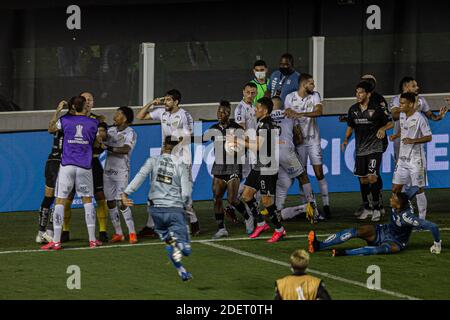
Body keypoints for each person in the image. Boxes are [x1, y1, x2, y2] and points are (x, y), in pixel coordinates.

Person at [121, 136, 193, 281]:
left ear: (163, 146)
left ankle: (181, 270)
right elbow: (186, 193)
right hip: (174, 210)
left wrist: (125, 193)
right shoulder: (181, 165)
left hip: (156, 212)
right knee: (185, 250)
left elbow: (140, 176)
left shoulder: (153, 161)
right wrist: (185, 205)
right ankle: (179, 243)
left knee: (169, 243)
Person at [41, 95, 103, 250]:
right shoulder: (94, 123)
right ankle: (92, 240)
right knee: (87, 200)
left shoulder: (65, 120)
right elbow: (97, 143)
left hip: (67, 165)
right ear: (85, 107)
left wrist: (57, 111)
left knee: (60, 200)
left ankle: (56, 241)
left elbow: (50, 129)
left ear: (74, 107)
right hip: (84, 166)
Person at [136, 89, 200, 236]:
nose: (165, 102)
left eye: (169, 100)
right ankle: (150, 226)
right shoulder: (161, 112)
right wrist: (152, 103)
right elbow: (140, 116)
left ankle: (194, 222)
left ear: (176, 102)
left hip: (182, 160)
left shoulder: (185, 115)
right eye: (164, 99)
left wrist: (173, 145)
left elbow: (189, 136)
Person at [308, 187, 442, 256]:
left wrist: (437, 244)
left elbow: (433, 226)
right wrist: (419, 187)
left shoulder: (407, 217)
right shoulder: (404, 198)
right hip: (382, 230)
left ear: (399, 205)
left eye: (393, 199)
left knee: (378, 250)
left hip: (394, 242)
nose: (390, 199)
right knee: (356, 231)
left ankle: (344, 253)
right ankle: (318, 245)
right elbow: (414, 189)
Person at [61, 92, 109, 243]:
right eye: (85, 99)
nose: (88, 102)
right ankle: (65, 231)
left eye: (90, 100)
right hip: (73, 162)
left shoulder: (97, 120)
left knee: (100, 196)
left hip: (92, 162)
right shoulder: (69, 119)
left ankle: (102, 231)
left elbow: (103, 140)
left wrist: (100, 137)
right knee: (68, 197)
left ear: (93, 103)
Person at [203, 101, 254, 238]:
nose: (220, 114)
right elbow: (200, 139)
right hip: (219, 167)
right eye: (219, 111)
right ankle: (221, 228)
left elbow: (246, 146)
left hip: (233, 167)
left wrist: (238, 150)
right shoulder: (213, 129)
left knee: (232, 200)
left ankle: (248, 218)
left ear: (229, 113)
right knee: (217, 199)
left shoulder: (237, 129)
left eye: (224, 112)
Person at [342, 82, 391, 222]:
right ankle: (367, 207)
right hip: (360, 149)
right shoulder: (353, 109)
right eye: (357, 92)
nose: (358, 95)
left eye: (361, 92)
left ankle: (376, 208)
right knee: (363, 179)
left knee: (372, 177)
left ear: (368, 94)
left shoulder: (377, 108)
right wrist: (346, 139)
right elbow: (350, 125)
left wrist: (382, 129)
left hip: (375, 147)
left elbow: (390, 122)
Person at [239, 97, 285, 243]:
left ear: (264, 110)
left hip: (267, 167)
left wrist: (238, 141)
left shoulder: (266, 125)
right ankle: (261, 223)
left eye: (257, 108)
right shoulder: (262, 123)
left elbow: (258, 147)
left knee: (266, 201)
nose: (255, 110)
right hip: (259, 165)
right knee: (246, 195)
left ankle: (279, 229)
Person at [284, 74, 330, 218]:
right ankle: (307, 207)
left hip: (313, 140)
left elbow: (319, 112)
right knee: (301, 174)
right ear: (303, 84)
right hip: (299, 143)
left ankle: (326, 205)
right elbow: (288, 116)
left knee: (319, 173)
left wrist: (300, 114)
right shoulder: (290, 98)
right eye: (311, 83)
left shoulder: (315, 95)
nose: (313, 86)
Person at [270, 96, 319, 223]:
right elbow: (299, 138)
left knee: (281, 184)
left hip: (271, 155)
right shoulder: (290, 114)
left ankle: (278, 211)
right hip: (286, 151)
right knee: (303, 177)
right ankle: (312, 205)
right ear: (281, 105)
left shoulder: (266, 117)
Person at [35, 99, 76, 244]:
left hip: (51, 161)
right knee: (61, 198)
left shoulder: (62, 120)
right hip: (61, 163)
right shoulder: (71, 121)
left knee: (49, 198)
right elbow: (51, 129)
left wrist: (57, 110)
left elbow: (51, 128)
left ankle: (40, 232)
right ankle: (50, 231)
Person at [391, 93, 432, 219]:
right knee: (395, 188)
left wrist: (413, 140)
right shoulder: (402, 115)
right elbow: (404, 129)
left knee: (418, 189)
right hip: (402, 159)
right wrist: (396, 135)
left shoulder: (420, 118)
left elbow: (429, 137)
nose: (400, 106)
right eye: (400, 103)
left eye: (403, 103)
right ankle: (397, 216)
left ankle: (421, 219)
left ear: (410, 104)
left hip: (416, 160)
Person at [101, 107, 138, 244]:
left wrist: (108, 148)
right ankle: (118, 233)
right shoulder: (110, 131)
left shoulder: (131, 133)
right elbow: (101, 143)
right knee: (110, 201)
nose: (115, 116)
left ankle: (132, 232)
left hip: (122, 171)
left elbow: (125, 149)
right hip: (108, 171)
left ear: (125, 118)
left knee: (122, 202)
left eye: (118, 114)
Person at [390, 77, 448, 160]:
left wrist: (439, 116)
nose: (417, 88)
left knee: (417, 168)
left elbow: (431, 116)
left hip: (416, 141)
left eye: (416, 86)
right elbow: (395, 116)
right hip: (401, 141)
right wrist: (411, 108)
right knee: (399, 167)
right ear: (406, 87)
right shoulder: (396, 100)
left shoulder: (421, 100)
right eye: (414, 86)